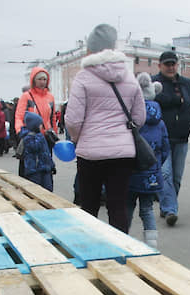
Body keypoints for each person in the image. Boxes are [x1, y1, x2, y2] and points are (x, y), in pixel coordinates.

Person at [64, 23, 145, 234]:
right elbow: (139, 117)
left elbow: (73, 120)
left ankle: (91, 255)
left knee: (89, 206)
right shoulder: (130, 77)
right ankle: (120, 254)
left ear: (91, 50)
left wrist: (78, 138)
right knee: (118, 206)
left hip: (90, 154)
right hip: (123, 153)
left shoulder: (83, 77)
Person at [152, 49, 190, 227]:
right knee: (166, 174)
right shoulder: (154, 83)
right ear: (160, 66)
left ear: (178, 65)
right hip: (161, 138)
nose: (170, 67)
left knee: (176, 177)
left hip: (182, 136)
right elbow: (151, 101)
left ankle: (166, 205)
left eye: (173, 64)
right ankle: (170, 210)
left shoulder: (188, 84)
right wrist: (174, 100)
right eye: (167, 64)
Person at [127, 73, 170, 248]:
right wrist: (156, 163)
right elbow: (166, 148)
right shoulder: (159, 122)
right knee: (147, 209)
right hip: (151, 173)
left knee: (127, 208)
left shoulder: (130, 119)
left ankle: (123, 239)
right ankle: (151, 245)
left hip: (131, 172)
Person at [15, 68, 58, 176]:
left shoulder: (50, 97)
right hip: (30, 137)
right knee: (28, 169)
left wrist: (54, 132)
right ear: (34, 80)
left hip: (45, 138)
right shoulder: (26, 96)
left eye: (44, 79)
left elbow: (52, 118)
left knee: (46, 168)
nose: (42, 82)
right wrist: (20, 131)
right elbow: (19, 115)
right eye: (40, 79)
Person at [19, 112, 54, 191]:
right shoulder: (28, 137)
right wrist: (40, 136)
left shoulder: (39, 135)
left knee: (48, 189)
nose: (42, 126)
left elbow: (46, 153)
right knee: (36, 190)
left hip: (45, 168)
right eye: (40, 124)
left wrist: (52, 165)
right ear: (34, 125)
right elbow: (34, 147)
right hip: (34, 170)